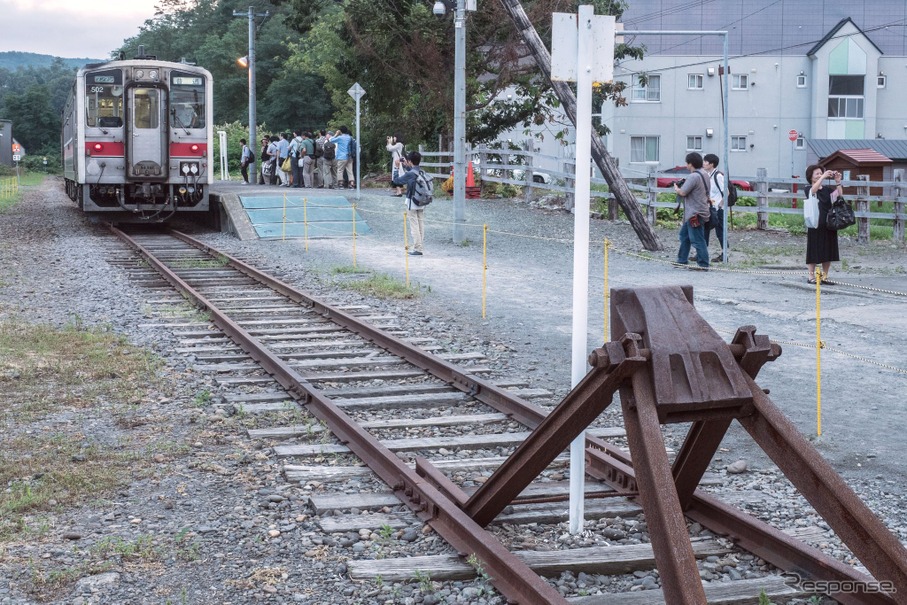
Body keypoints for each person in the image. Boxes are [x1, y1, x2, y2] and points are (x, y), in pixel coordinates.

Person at [805, 164, 843, 284]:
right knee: (813, 248)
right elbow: (813, 191)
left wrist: (838, 182)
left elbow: (839, 196)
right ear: (811, 177)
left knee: (828, 249)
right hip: (815, 222)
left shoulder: (828, 190)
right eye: (817, 173)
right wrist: (823, 177)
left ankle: (824, 276)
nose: (820, 175)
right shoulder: (808, 189)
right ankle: (811, 277)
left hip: (829, 223)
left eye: (821, 173)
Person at [672, 152, 711, 270]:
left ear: (691, 163)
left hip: (695, 213)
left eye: (687, 163)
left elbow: (683, 192)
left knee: (697, 239)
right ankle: (682, 260)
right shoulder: (704, 174)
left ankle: (703, 264)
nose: (686, 165)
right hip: (699, 211)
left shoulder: (694, 176)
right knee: (684, 236)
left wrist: (676, 188)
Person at [392, 151, 428, 256]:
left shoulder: (410, 174)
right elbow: (412, 172)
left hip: (412, 201)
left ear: (410, 161)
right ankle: (420, 246)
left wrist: (397, 168)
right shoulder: (421, 172)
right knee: (421, 223)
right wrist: (405, 164)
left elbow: (396, 181)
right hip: (422, 201)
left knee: (414, 225)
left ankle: (418, 248)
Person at [703, 153, 726, 262]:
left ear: (711, 164)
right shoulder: (708, 175)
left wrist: (720, 205)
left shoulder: (718, 176)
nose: (704, 163)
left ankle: (724, 254)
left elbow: (727, 192)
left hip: (718, 209)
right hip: (710, 208)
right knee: (705, 230)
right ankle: (702, 253)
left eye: (706, 161)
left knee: (720, 232)